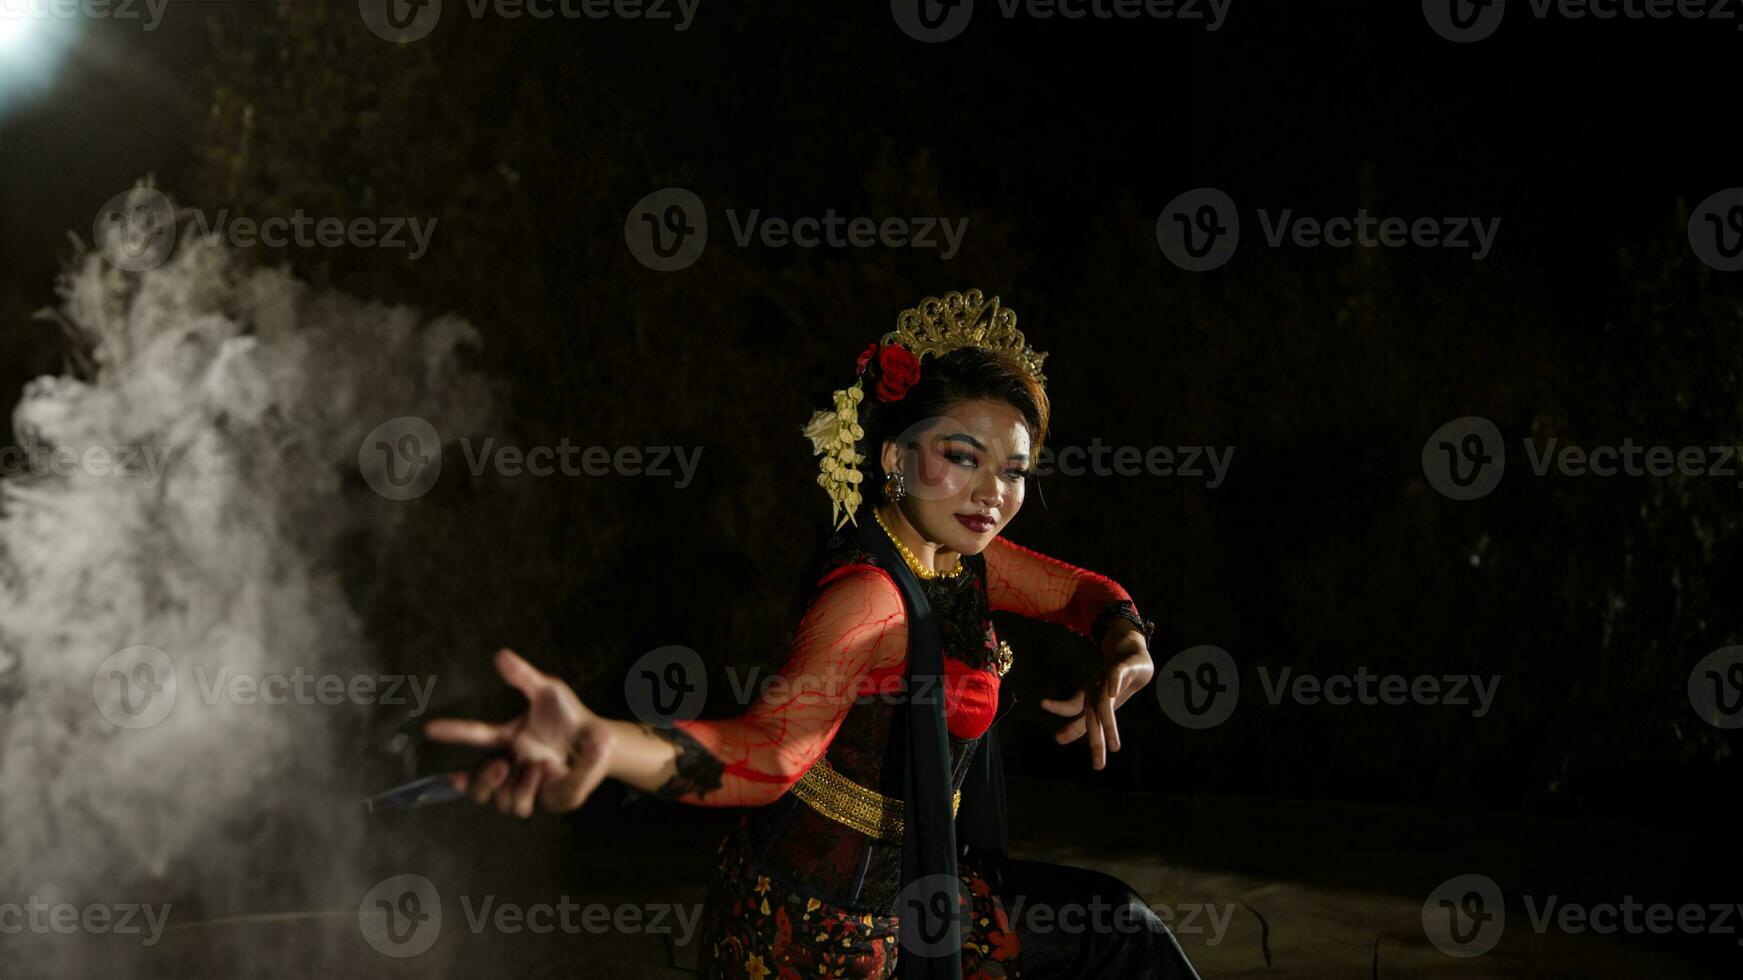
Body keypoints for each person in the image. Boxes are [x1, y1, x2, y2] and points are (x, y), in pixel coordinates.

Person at [427, 290, 1202, 978]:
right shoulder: (870, 597)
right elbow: (767, 753)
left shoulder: (965, 558)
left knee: (1117, 930)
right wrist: (605, 741)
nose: (992, 494)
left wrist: (1126, 647)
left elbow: (1086, 595)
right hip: (818, 932)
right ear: (895, 457)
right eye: (961, 459)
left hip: (923, 895)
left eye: (1015, 471)